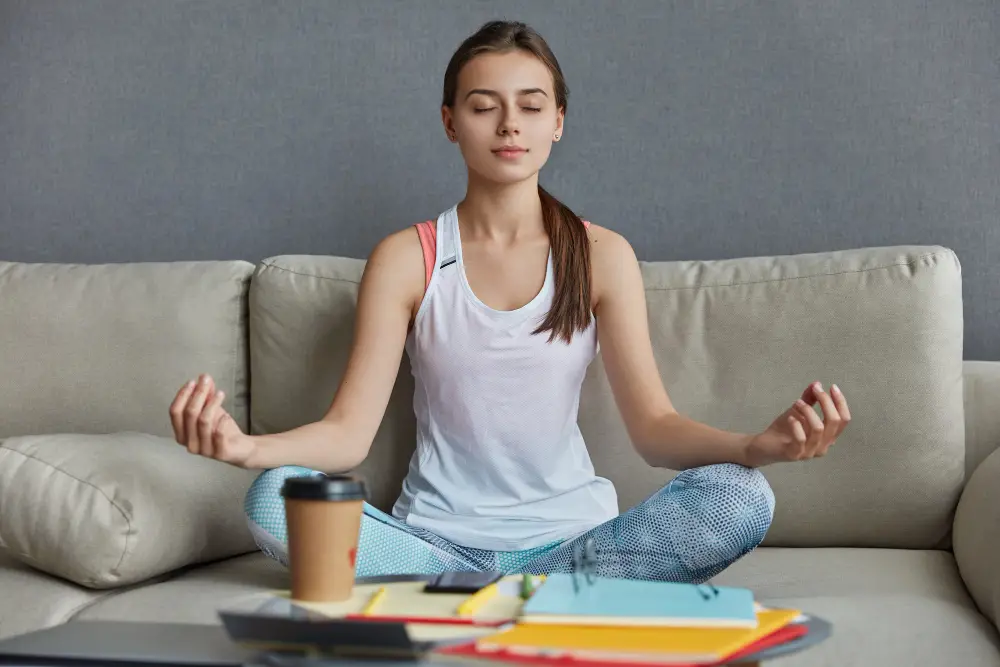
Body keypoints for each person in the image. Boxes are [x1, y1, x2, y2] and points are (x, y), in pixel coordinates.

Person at [169, 20, 851, 584]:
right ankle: (523, 597)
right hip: (434, 550)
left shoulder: (601, 254)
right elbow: (347, 433)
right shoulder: (408, 258)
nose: (508, 124)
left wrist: (755, 446)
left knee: (741, 496)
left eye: (530, 105)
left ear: (558, 121)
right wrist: (246, 446)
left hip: (574, 545)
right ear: (450, 122)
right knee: (272, 495)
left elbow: (654, 426)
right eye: (482, 104)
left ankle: (547, 587)